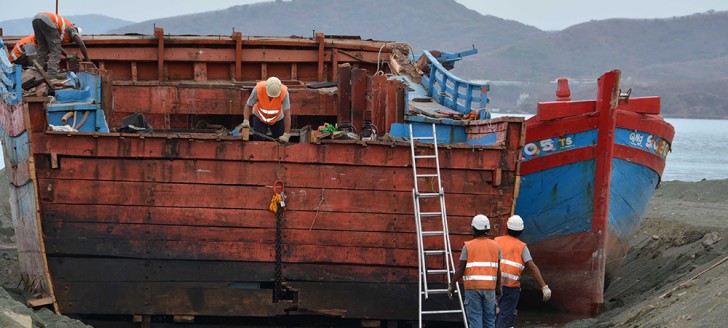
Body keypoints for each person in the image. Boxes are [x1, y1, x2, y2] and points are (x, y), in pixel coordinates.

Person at [494, 215, 551, 328]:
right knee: (505, 315)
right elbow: (532, 267)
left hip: (495, 284)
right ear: (521, 231)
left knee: (492, 314)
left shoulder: (496, 241)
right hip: (511, 288)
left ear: (507, 227)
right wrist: (544, 286)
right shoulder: (522, 247)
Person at [448, 214, 501, 328]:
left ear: (474, 229)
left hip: (473, 288)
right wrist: (499, 287)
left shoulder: (468, 246)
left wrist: (452, 285)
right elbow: (498, 269)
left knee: (475, 317)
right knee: (490, 319)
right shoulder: (496, 246)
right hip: (490, 288)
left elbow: (461, 268)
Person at [31, 12, 89, 80]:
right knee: (55, 51)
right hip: (47, 20)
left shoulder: (63, 30)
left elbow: (56, 46)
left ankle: (36, 72)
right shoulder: (72, 29)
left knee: (43, 48)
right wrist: (87, 59)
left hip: (36, 19)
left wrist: (66, 55)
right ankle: (52, 74)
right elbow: (81, 44)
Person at [242, 77, 292, 142]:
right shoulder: (258, 89)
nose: (272, 97)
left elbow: (287, 114)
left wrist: (286, 134)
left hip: (277, 118)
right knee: (258, 140)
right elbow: (248, 106)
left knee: (280, 140)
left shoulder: (284, 92)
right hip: (260, 116)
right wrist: (246, 120)